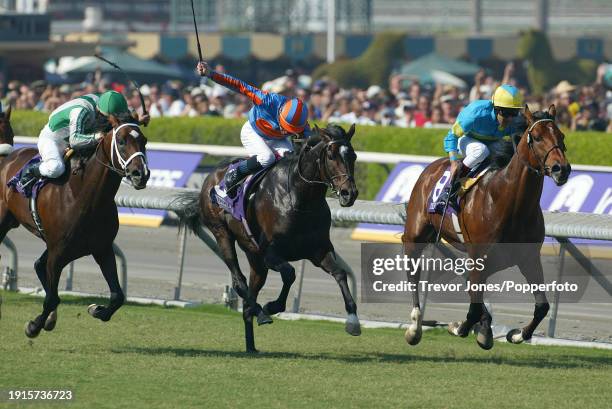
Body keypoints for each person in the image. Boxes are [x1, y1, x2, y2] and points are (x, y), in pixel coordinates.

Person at [196, 61, 310, 194]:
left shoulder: (302, 123)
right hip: (253, 132)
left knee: (291, 163)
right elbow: (238, 85)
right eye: (285, 127)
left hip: (276, 139)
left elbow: (310, 143)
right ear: (280, 113)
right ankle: (235, 173)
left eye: (290, 130)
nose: (285, 131)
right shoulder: (267, 100)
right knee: (267, 158)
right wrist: (210, 74)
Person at [18, 90, 149, 190]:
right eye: (109, 118)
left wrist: (137, 122)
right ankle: (31, 170)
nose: (111, 122)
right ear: (102, 111)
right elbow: (75, 140)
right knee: (56, 168)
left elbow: (121, 124)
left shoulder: (106, 102)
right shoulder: (81, 111)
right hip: (54, 139)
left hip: (78, 134)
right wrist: (97, 137)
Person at [435, 84, 523, 210]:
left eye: (514, 113)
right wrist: (454, 161)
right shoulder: (476, 113)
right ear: (496, 108)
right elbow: (451, 136)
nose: (510, 118)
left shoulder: (514, 120)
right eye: (506, 113)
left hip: (492, 143)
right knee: (481, 150)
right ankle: (450, 189)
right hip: (466, 140)